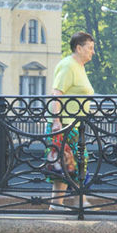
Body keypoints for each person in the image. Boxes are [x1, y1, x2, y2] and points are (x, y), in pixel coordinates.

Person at [46, 31, 95, 210]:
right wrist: (56, 121)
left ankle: (71, 202)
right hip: (65, 124)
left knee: (72, 164)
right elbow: (56, 93)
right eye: (89, 48)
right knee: (68, 164)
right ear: (78, 48)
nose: (92, 52)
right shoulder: (68, 66)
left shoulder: (79, 66)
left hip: (74, 124)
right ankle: (72, 202)